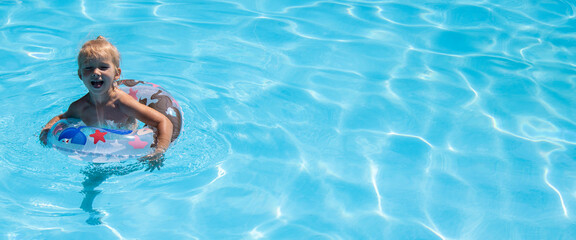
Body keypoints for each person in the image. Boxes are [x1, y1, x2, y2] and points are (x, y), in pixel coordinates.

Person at [39, 36, 173, 163]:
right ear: (80, 75)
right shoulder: (80, 107)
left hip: (126, 147)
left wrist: (159, 151)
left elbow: (163, 121)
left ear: (116, 74)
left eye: (103, 67)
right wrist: (47, 130)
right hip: (95, 148)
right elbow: (61, 118)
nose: (96, 72)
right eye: (88, 68)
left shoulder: (123, 103)